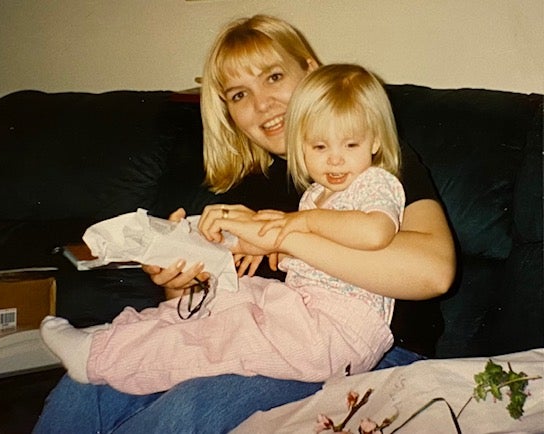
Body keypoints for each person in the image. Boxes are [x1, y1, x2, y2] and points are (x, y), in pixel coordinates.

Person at [34, 15, 455, 433]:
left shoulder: (369, 160)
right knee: (86, 386)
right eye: (239, 94)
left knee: (192, 407)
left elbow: (432, 273)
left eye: (273, 77)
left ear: (310, 70)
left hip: (371, 356)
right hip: (266, 346)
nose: (262, 104)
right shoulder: (244, 192)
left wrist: (285, 234)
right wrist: (181, 280)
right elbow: (220, 312)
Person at [40, 63, 406, 394]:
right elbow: (315, 249)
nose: (335, 159)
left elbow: (375, 233)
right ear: (301, 146)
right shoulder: (315, 193)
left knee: (222, 338)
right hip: (306, 312)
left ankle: (99, 358)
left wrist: (298, 226)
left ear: (374, 141)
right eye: (319, 146)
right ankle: (112, 338)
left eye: (351, 144)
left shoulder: (375, 182)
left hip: (338, 333)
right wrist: (270, 247)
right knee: (226, 297)